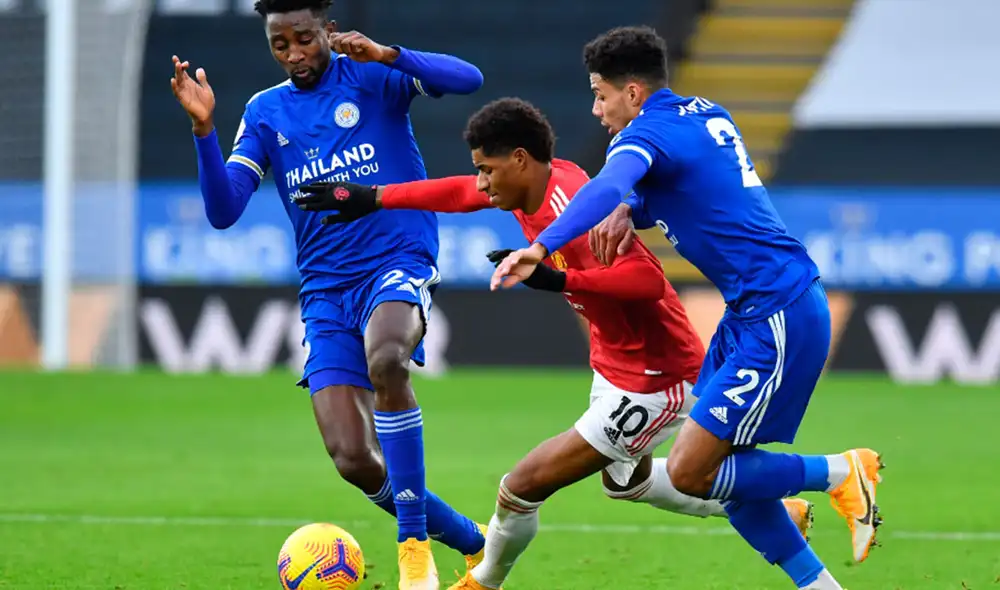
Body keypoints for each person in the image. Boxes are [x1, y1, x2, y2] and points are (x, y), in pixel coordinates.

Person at [293, 97, 817, 590]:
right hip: (617, 366)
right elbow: (457, 193)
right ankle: (775, 508)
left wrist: (559, 281)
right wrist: (375, 197)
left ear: (519, 160)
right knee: (628, 484)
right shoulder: (527, 188)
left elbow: (648, 282)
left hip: (656, 375)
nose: (481, 182)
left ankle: (482, 579)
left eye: (487, 169)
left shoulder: (569, 205)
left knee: (521, 485)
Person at [488, 27, 884, 589]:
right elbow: (691, 186)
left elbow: (603, 188)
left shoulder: (644, 135)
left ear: (631, 91)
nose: (596, 108)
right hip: (753, 312)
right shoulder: (704, 113)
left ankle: (842, 470)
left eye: (601, 94)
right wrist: (634, 208)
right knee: (730, 477)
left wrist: (542, 245)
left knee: (693, 471)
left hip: (779, 311)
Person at [169, 1, 486, 588]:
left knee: (388, 357)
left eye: (304, 39)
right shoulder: (265, 112)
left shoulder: (371, 74)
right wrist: (204, 130)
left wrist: (389, 54)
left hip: (396, 260)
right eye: (279, 44)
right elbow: (222, 210)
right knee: (353, 459)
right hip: (324, 288)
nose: (294, 54)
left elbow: (469, 79)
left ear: (328, 32)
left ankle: (412, 545)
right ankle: (473, 541)